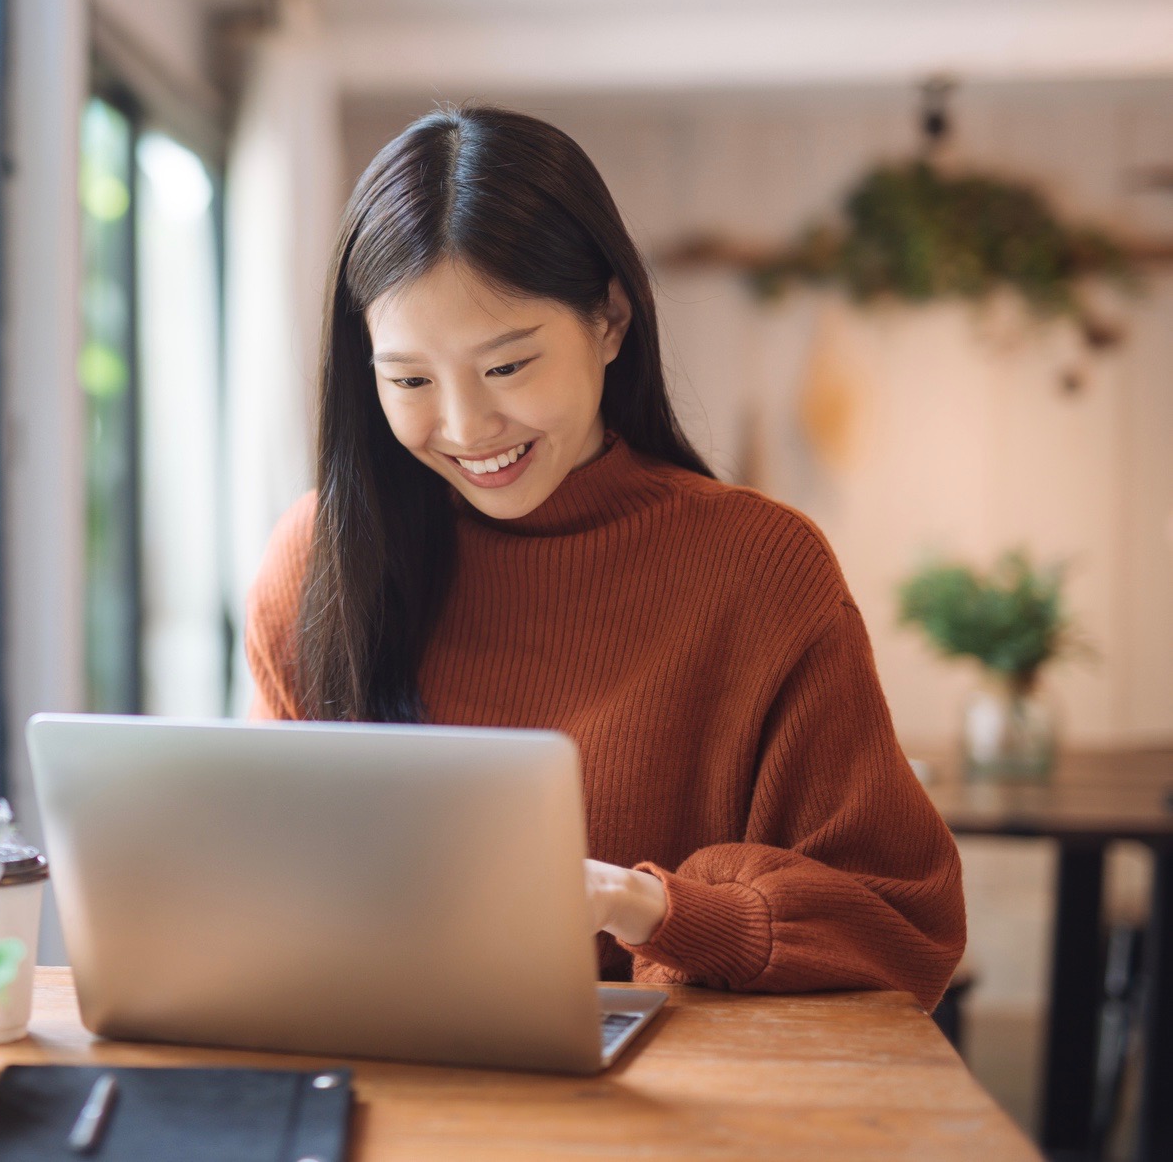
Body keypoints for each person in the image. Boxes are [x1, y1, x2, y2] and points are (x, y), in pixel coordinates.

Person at [245, 105, 966, 1008]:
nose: (467, 429)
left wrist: (657, 908)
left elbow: (906, 927)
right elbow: (278, 889)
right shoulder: (318, 561)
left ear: (611, 320)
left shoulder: (761, 569)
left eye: (508, 367)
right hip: (377, 1075)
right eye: (411, 380)